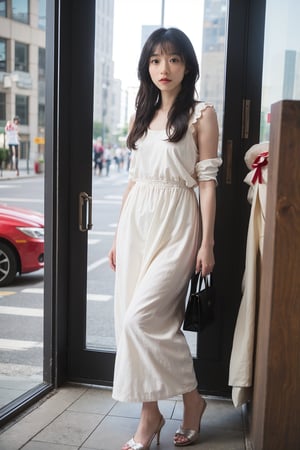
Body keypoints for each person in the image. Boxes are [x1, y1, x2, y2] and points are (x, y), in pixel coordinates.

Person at [108, 27, 221, 449]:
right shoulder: (142, 113)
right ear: (147, 67)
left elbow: (207, 184)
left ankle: (187, 401)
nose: (163, 68)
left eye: (173, 59)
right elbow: (133, 181)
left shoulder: (201, 113)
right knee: (131, 323)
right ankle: (153, 412)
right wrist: (119, 234)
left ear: (187, 64)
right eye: (155, 60)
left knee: (145, 319)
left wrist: (207, 243)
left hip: (178, 222)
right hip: (137, 224)